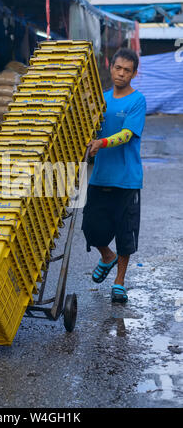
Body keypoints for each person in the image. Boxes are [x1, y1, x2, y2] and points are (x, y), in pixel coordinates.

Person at [82, 47, 146, 304]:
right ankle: (107, 256)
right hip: (100, 177)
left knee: (125, 232)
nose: (121, 73)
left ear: (134, 74)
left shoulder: (137, 100)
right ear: (111, 67)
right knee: (90, 226)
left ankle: (119, 282)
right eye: (118, 68)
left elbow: (128, 134)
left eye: (127, 70)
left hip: (127, 179)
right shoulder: (101, 100)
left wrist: (102, 143)